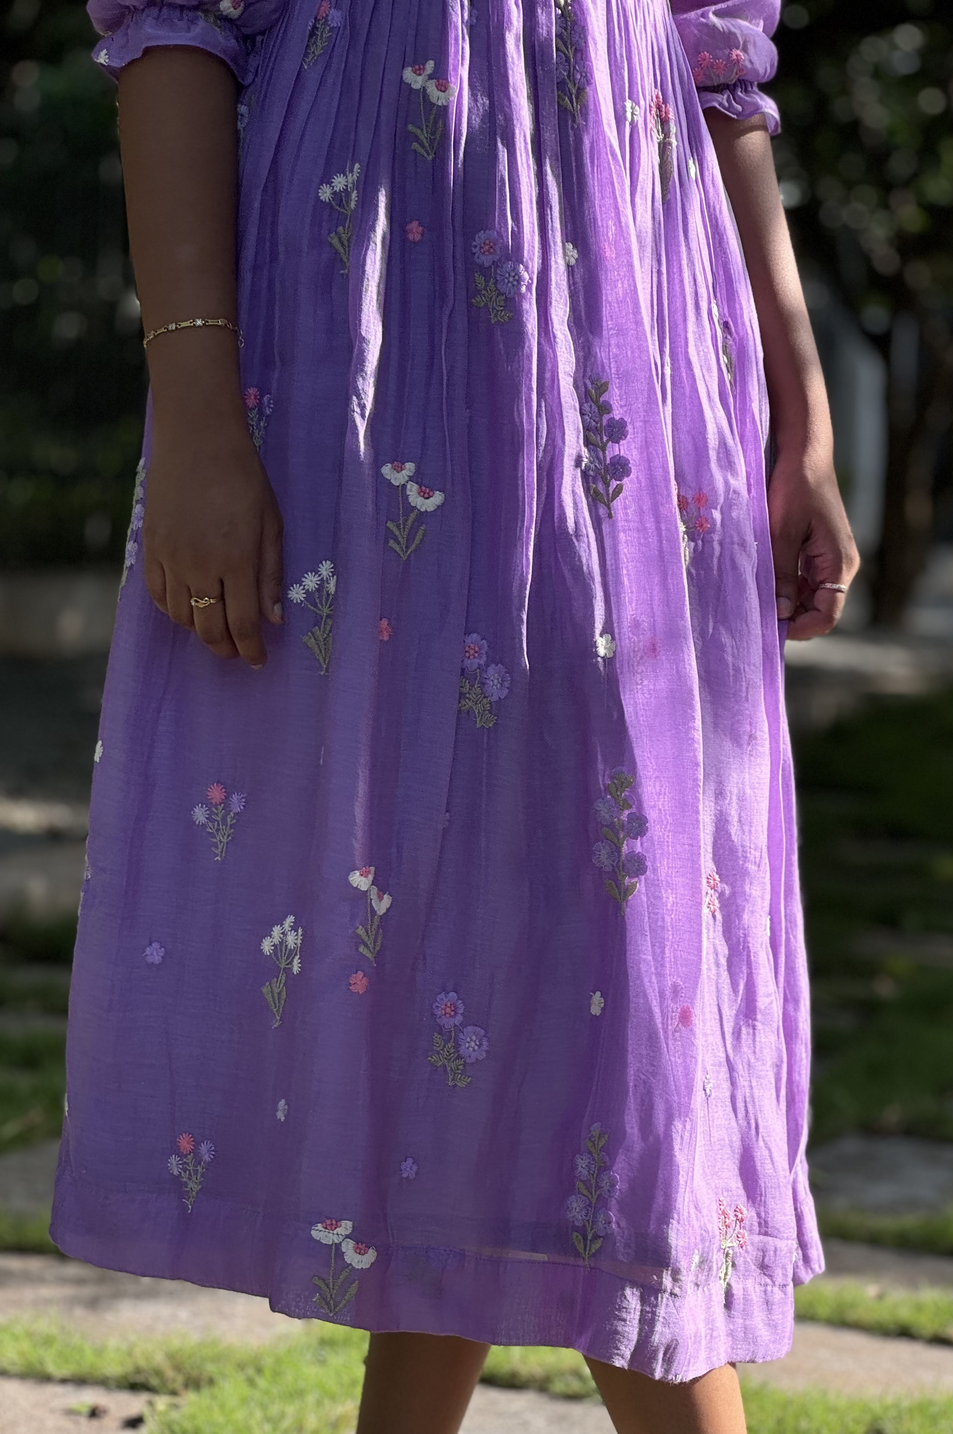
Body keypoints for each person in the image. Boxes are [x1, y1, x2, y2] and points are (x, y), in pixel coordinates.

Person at [51, 0, 859, 1429]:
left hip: (640, 337)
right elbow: (175, 24)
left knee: (596, 917)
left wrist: (802, 406)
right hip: (382, 322)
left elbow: (717, 62)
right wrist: (191, 407)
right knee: (457, 912)